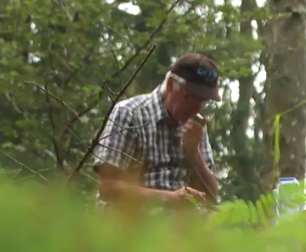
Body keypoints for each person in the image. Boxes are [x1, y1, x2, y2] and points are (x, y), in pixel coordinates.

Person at [92, 53, 221, 210]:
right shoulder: (129, 113)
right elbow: (107, 187)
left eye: (204, 101)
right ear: (171, 85)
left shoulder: (196, 125)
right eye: (191, 98)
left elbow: (212, 196)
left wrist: (195, 154)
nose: (197, 108)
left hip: (184, 217)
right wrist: (169, 198)